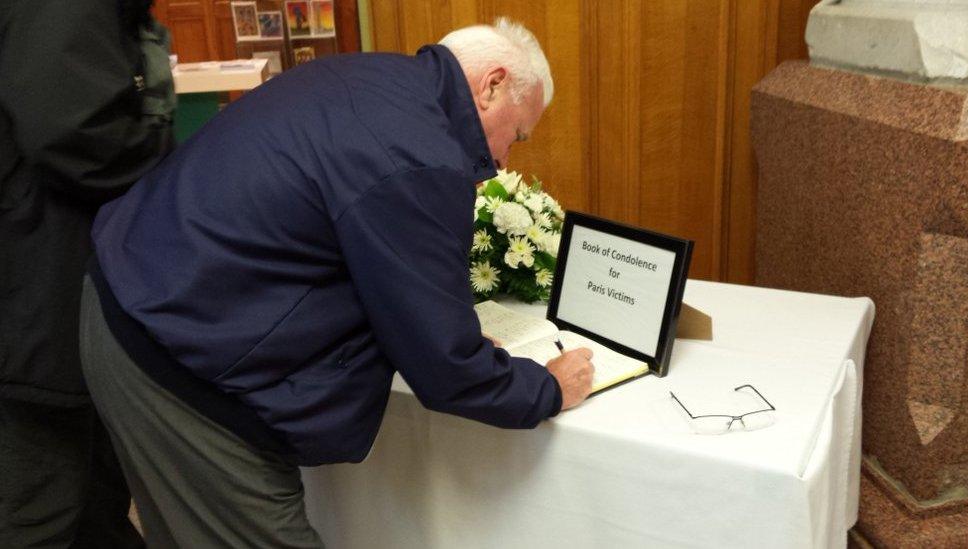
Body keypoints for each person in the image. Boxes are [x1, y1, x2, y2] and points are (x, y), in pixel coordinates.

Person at [79, 18, 594, 546]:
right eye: (518, 134)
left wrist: (439, 331)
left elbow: (357, 264)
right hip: (175, 361)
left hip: (138, 301)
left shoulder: (373, 77)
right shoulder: (421, 154)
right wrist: (547, 387)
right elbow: (448, 371)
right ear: (492, 86)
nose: (505, 159)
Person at [0, 1, 175, 547]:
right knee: (43, 505)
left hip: (46, 284)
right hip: (40, 290)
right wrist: (170, 164)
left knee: (85, 499)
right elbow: (76, 132)